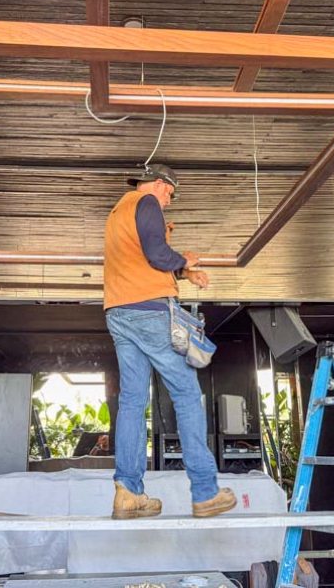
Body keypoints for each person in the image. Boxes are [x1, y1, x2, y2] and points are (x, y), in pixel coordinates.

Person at [103, 163, 237, 519]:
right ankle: (206, 492)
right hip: (150, 311)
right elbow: (157, 254)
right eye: (170, 193)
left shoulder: (118, 212)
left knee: (132, 401)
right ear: (161, 184)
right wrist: (185, 259)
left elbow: (141, 258)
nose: (169, 201)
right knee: (186, 394)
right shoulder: (146, 202)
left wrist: (184, 272)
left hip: (119, 311)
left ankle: (128, 493)